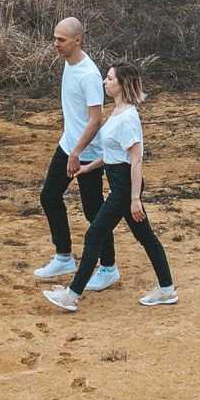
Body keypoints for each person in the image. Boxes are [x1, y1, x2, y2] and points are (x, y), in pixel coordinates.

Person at [44, 60, 177, 311]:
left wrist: (134, 199)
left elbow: (136, 160)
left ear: (122, 84)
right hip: (119, 182)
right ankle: (167, 289)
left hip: (125, 187)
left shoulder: (127, 118)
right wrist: (88, 167)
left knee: (94, 234)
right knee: (145, 236)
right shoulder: (118, 113)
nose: (104, 82)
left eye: (109, 78)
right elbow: (113, 154)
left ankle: (72, 295)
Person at [32, 17, 121, 292]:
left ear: (78, 40)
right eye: (55, 38)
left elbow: (96, 120)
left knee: (94, 212)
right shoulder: (70, 63)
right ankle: (64, 257)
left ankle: (108, 268)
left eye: (61, 40)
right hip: (68, 145)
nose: (55, 44)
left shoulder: (89, 76)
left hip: (87, 152)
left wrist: (78, 152)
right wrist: (70, 149)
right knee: (49, 195)